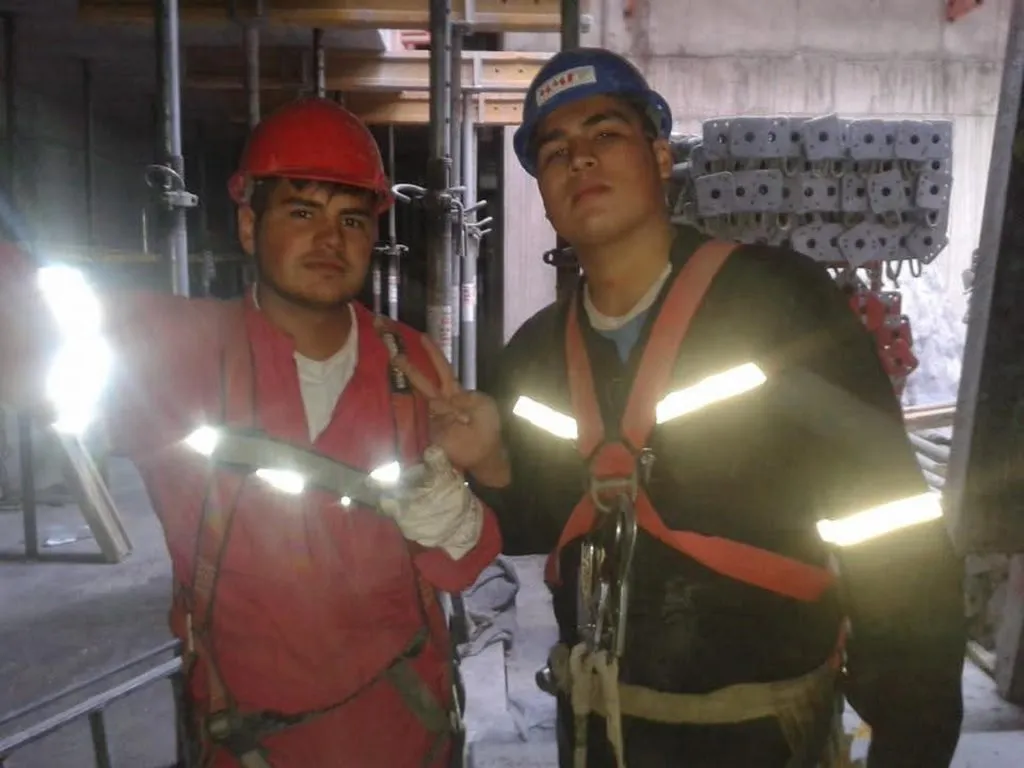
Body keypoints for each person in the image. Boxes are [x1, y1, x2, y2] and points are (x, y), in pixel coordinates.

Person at [396, 48, 966, 767]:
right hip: (605, 732)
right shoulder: (537, 353)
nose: (580, 161)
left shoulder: (775, 304)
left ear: (660, 157)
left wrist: (911, 734)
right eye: (555, 151)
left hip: (761, 740)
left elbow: (889, 531)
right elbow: (547, 518)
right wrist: (492, 465)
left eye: (605, 135)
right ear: (541, 190)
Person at [0, 98, 501, 768]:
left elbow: (461, 568)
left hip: (407, 733)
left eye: (351, 219)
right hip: (254, 744)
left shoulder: (410, 365)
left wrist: (466, 509)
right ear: (246, 224)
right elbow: (21, 336)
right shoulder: (176, 351)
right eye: (302, 212)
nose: (330, 239)